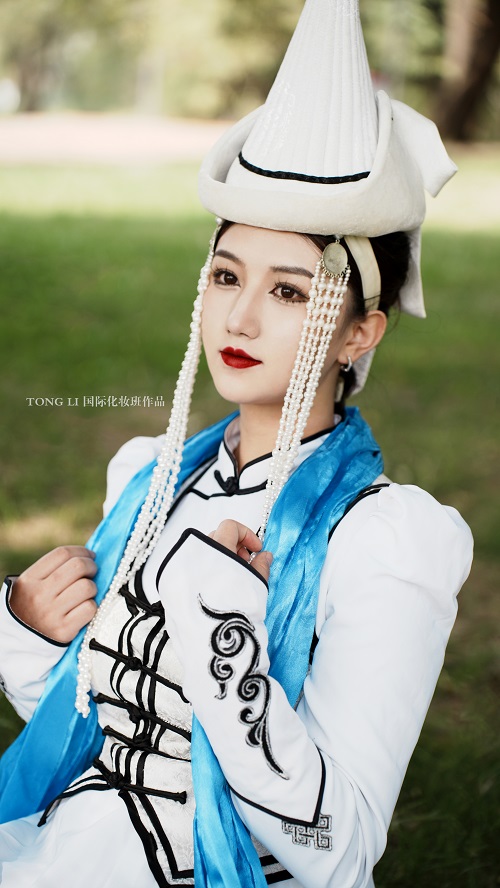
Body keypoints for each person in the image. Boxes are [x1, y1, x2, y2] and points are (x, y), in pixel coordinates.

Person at [0, 2, 473, 887]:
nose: (240, 317)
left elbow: (341, 849)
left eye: (290, 291)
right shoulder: (151, 480)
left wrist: (226, 642)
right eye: (226, 275)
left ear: (359, 333)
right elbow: (115, 728)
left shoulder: (384, 541)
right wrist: (25, 634)